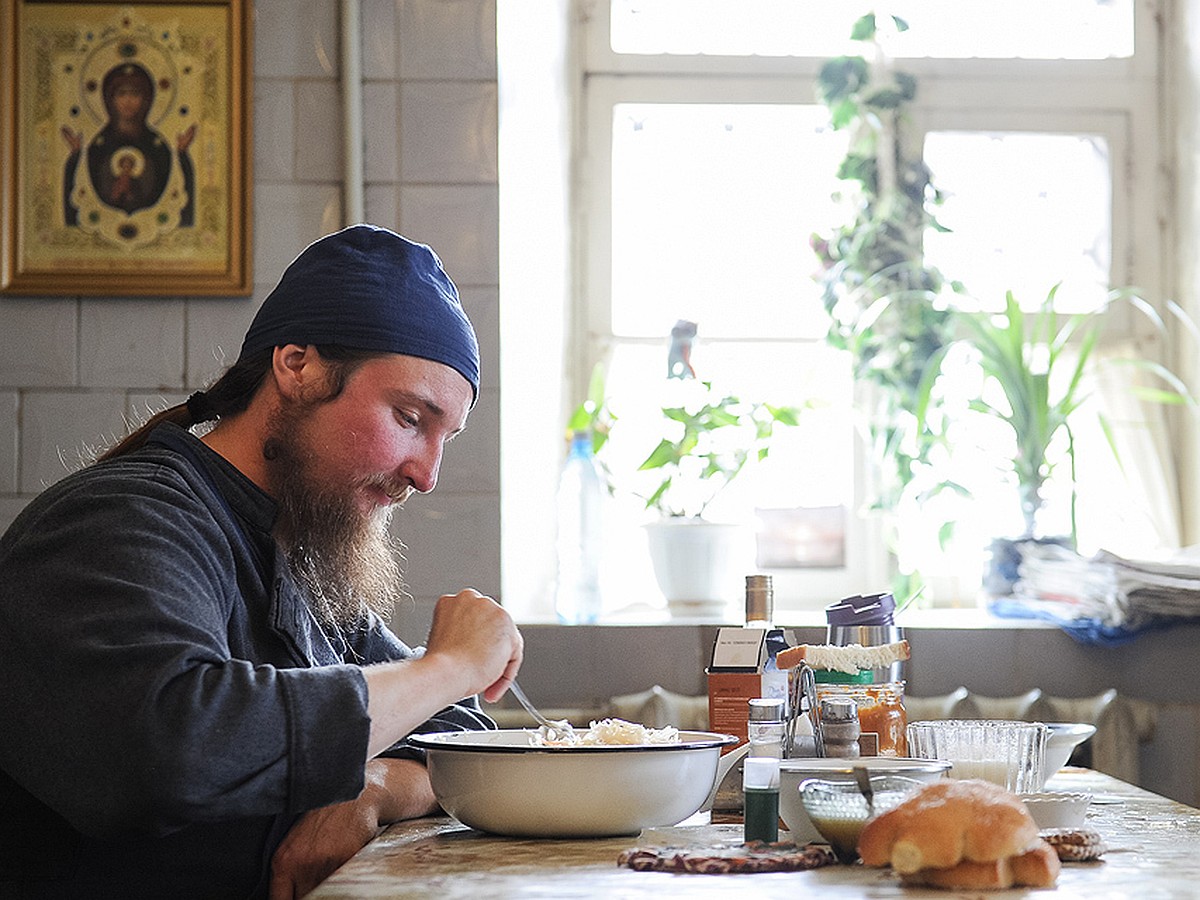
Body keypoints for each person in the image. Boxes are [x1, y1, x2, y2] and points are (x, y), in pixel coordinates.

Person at [0, 224, 524, 899]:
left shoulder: (298, 551)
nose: (426, 475)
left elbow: (455, 729)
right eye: (408, 417)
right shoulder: (119, 521)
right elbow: (176, 748)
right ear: (298, 366)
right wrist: (446, 666)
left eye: (444, 436)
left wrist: (376, 788)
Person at [62, 61, 196, 226]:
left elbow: (176, 196)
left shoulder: (158, 146)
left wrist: (182, 154)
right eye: (121, 94)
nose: (128, 101)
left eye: (135, 94)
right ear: (109, 99)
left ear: (146, 99)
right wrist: (75, 156)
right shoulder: (98, 145)